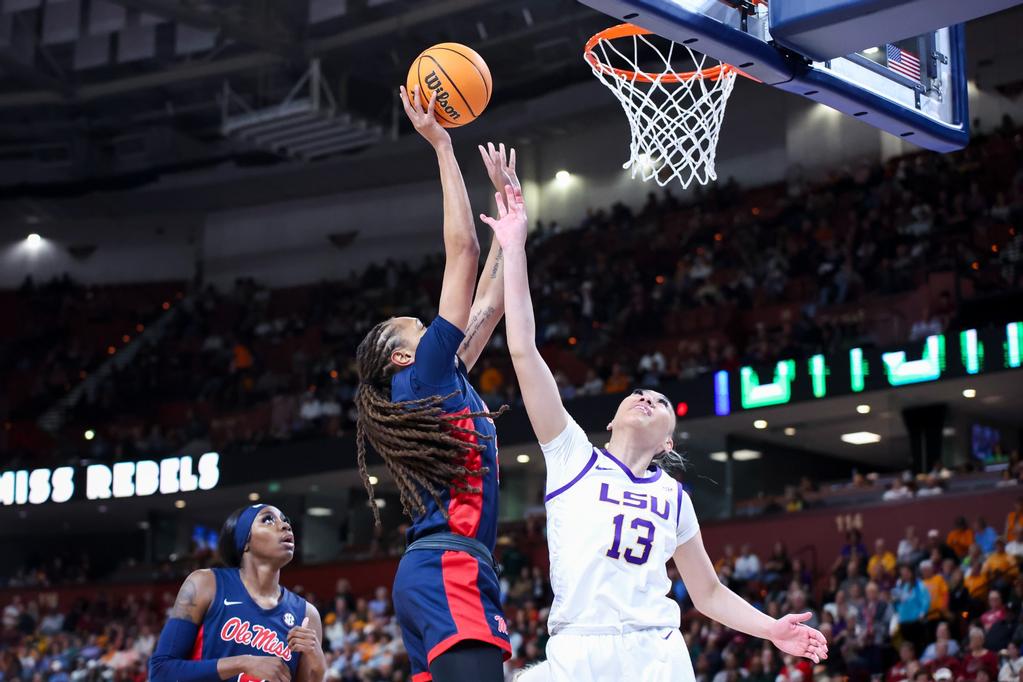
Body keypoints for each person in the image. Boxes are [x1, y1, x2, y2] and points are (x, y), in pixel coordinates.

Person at [478, 184, 828, 681]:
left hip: (653, 655)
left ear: (669, 442)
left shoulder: (673, 498)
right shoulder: (572, 455)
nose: (647, 398)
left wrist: (772, 629)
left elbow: (707, 593)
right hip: (578, 649)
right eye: (638, 394)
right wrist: (514, 246)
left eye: (661, 402)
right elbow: (523, 349)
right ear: (611, 419)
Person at [352, 85, 518, 682]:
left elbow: (491, 304)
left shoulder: (438, 380)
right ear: (401, 358)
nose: (428, 323)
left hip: (438, 570)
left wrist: (509, 214)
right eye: (415, 326)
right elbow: (462, 249)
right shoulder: (421, 379)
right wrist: (443, 146)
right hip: (449, 569)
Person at [149, 504, 325, 682]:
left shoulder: (307, 614)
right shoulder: (205, 584)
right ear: (245, 541)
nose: (285, 525)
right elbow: (161, 671)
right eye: (268, 519)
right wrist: (243, 663)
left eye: (285, 520)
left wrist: (319, 669)